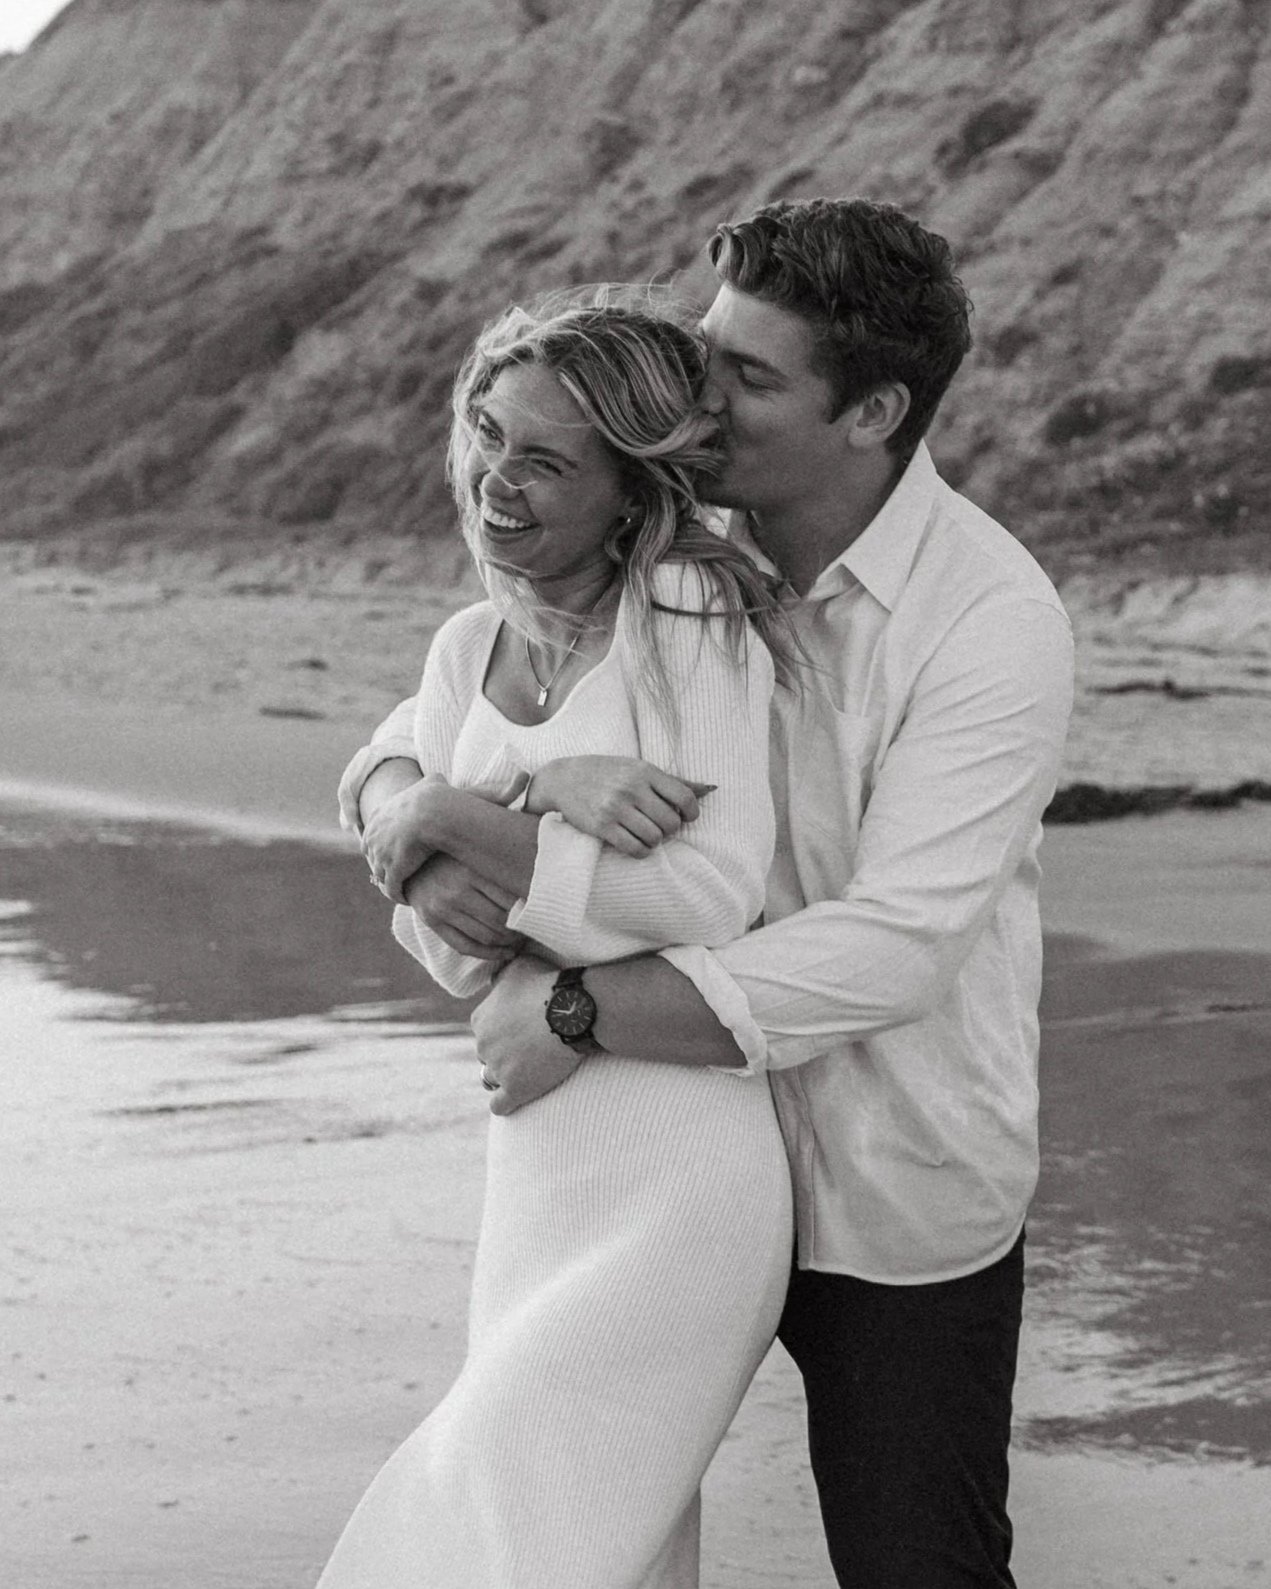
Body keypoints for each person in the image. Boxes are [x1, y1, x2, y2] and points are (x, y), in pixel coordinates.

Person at [355, 198, 1076, 1587]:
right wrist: (411, 801)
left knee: (918, 1565)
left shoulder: (989, 618)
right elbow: (456, 707)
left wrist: (574, 1009)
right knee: (582, 1541)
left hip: (887, 1169)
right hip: (653, 1156)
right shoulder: (665, 557)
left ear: (873, 414)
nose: (699, 400)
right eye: (705, 353)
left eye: (749, 377)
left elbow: (899, 945)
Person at [320, 293, 800, 1589]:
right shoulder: (465, 646)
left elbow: (708, 893)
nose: (497, 479)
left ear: (631, 492)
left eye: (544, 460)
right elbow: (455, 947)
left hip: (679, 1167)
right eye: (488, 434)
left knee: (494, 1527)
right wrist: (504, 799)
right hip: (533, 1162)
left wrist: (459, 817)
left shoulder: (688, 613)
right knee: (611, 1555)